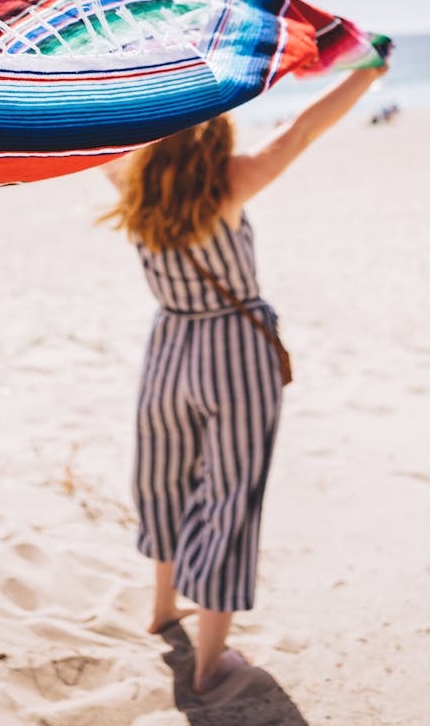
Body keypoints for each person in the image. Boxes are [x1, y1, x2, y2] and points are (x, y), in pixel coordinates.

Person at [102, 59, 388, 695]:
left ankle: (162, 608)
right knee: (230, 495)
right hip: (233, 351)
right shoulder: (228, 181)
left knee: (163, 477)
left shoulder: (130, 180)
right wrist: (368, 72)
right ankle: (209, 665)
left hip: (168, 346)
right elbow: (301, 129)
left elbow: (86, 132)